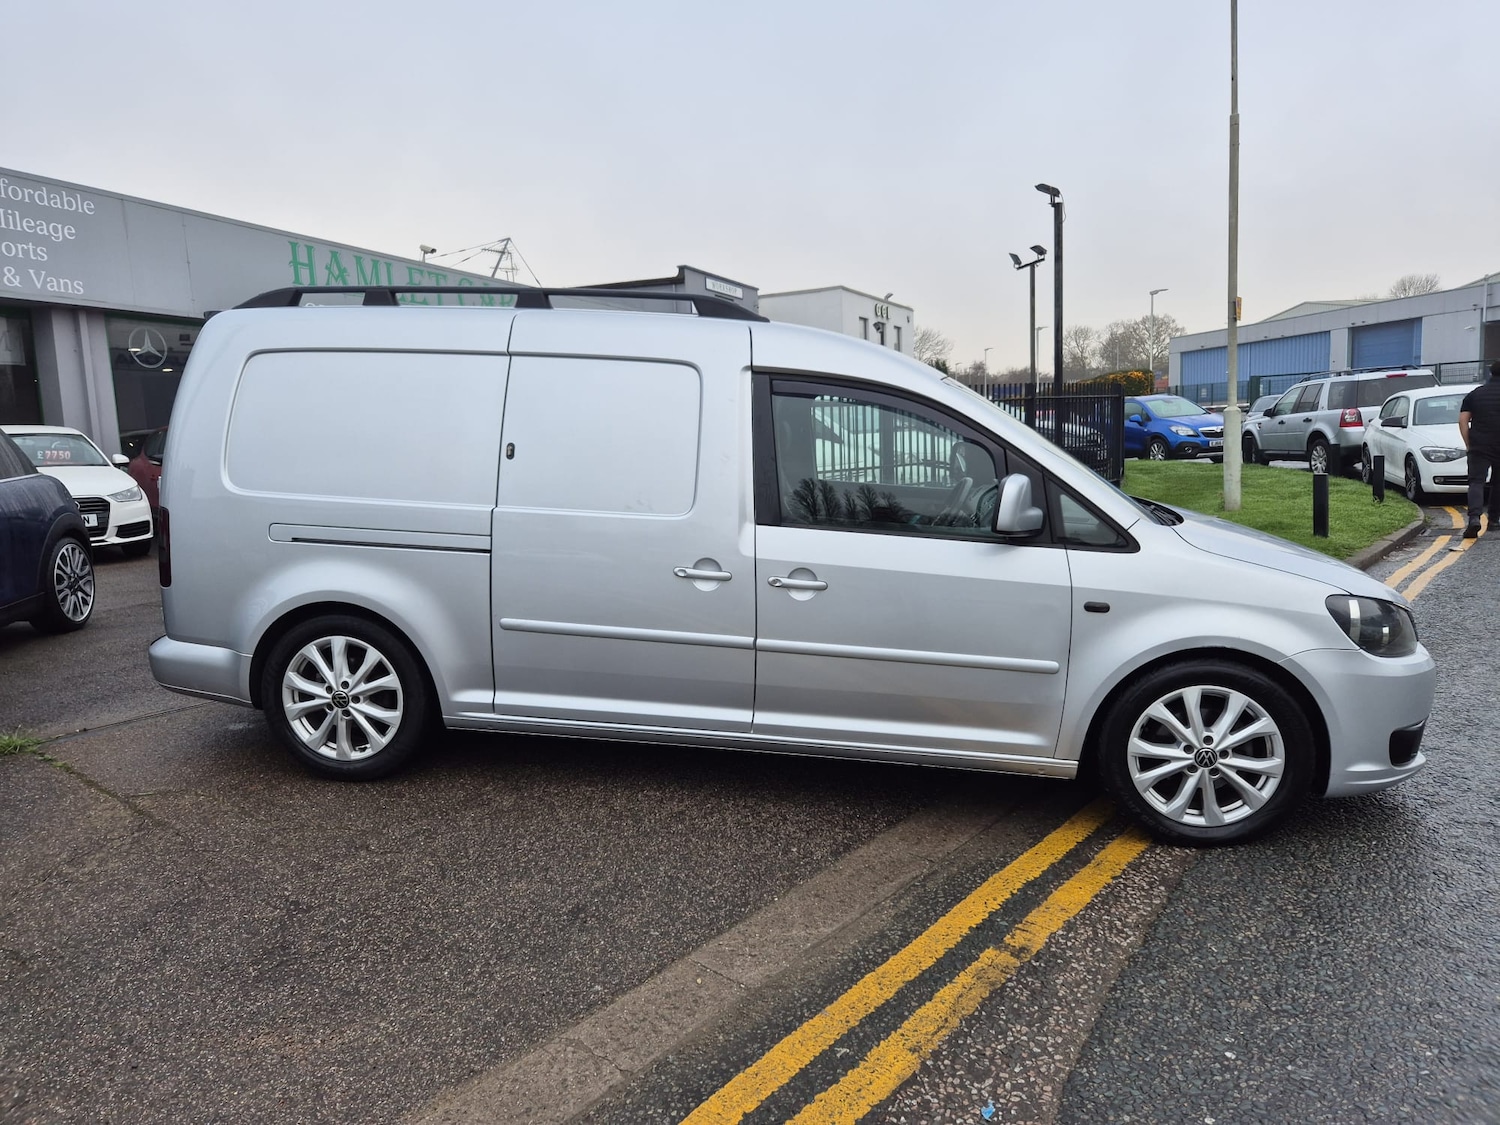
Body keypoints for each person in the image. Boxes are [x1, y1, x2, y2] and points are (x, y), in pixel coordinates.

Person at [1458, 359, 1500, 537]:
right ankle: (1493, 520)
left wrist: (1469, 443)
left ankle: (1474, 519)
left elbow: (1463, 421)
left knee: (1476, 482)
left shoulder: (1475, 394)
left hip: (1479, 443)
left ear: (1491, 373)